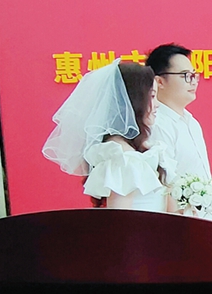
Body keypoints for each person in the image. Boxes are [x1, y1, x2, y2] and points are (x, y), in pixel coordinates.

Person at [42, 61, 173, 212]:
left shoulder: (135, 150)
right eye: (152, 96)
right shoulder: (121, 157)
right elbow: (120, 218)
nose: (157, 104)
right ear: (134, 101)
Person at [145, 43, 212, 220]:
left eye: (194, 75)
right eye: (185, 75)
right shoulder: (158, 125)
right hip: (179, 224)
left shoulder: (191, 122)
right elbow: (162, 186)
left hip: (203, 221)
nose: (193, 81)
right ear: (159, 82)